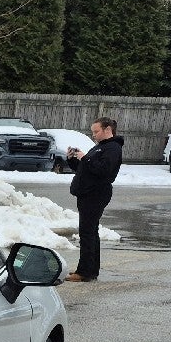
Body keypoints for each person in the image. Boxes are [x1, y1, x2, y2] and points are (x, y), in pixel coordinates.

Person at [63, 117, 123, 282]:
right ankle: (90, 270)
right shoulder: (100, 148)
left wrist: (85, 158)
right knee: (90, 232)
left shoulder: (112, 148)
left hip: (95, 194)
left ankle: (85, 272)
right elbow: (86, 170)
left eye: (96, 131)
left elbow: (103, 170)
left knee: (87, 233)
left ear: (107, 130)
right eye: (93, 132)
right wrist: (73, 159)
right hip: (88, 193)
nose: (94, 135)